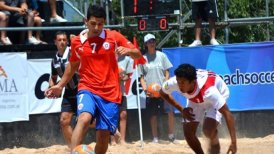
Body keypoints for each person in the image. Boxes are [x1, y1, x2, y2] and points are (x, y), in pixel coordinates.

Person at [44, 4, 142, 154]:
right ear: (86, 21)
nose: (97, 27)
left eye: (100, 24)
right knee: (83, 118)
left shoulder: (114, 36)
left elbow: (138, 54)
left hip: (110, 93)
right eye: (93, 23)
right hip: (87, 88)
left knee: (102, 137)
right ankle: (74, 152)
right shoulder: (77, 41)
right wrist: (59, 85)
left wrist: (128, 50)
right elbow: (73, 65)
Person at [160, 63, 237, 154]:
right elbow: (162, 92)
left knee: (208, 130)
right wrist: (182, 109)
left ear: (193, 82)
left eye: (183, 82)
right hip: (194, 99)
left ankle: (214, 138)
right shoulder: (174, 82)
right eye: (178, 81)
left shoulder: (210, 91)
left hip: (217, 92)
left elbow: (227, 113)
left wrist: (233, 142)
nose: (180, 85)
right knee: (188, 132)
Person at [139, 33, 177, 143]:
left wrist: (165, 83)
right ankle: (155, 138)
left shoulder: (162, 55)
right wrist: (145, 88)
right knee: (153, 115)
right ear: (146, 44)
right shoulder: (143, 59)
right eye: (150, 42)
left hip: (164, 90)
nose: (152, 43)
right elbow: (141, 77)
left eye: (153, 41)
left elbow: (167, 72)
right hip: (151, 91)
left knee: (170, 112)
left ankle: (171, 135)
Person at [47, 31, 78, 149]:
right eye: (59, 40)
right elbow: (53, 77)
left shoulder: (73, 53)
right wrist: (51, 88)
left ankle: (112, 129)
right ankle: (73, 149)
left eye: (64, 40)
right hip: (69, 92)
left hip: (82, 89)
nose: (62, 42)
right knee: (64, 121)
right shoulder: (54, 60)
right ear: (55, 42)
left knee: (88, 121)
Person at [111, 54, 133, 145]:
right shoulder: (108, 56)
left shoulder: (127, 59)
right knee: (111, 115)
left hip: (121, 92)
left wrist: (123, 77)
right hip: (110, 92)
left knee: (123, 114)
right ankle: (112, 140)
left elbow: (128, 75)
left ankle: (122, 140)